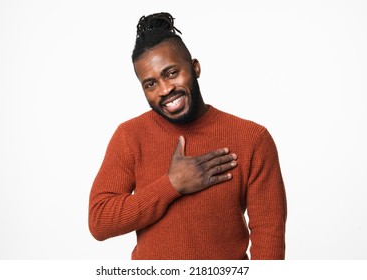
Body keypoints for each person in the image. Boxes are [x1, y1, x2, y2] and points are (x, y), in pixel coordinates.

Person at [88, 12, 287, 260]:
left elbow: (269, 234)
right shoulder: (130, 136)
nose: (165, 90)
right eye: (150, 84)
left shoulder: (252, 138)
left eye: (172, 73)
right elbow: (99, 220)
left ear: (195, 67)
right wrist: (172, 185)